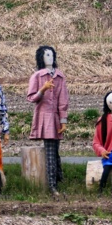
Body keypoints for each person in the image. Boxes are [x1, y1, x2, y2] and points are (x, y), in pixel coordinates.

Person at [27, 45, 69, 194]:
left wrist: (63, 121)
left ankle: (58, 179)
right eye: (46, 55)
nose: (50, 57)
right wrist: (42, 89)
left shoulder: (60, 76)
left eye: (51, 54)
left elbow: (63, 101)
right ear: (41, 58)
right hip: (44, 118)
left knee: (55, 150)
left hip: (56, 118)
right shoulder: (37, 76)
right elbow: (31, 98)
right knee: (51, 151)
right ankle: (52, 185)